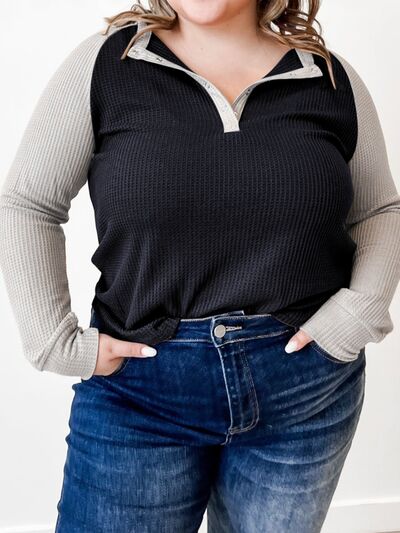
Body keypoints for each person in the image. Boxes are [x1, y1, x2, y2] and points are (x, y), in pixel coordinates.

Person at [1, 1, 399, 531]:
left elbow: (379, 210)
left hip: (304, 392)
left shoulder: (328, 78)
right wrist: (54, 341)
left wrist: (356, 316)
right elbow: (28, 204)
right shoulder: (108, 65)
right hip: (139, 391)